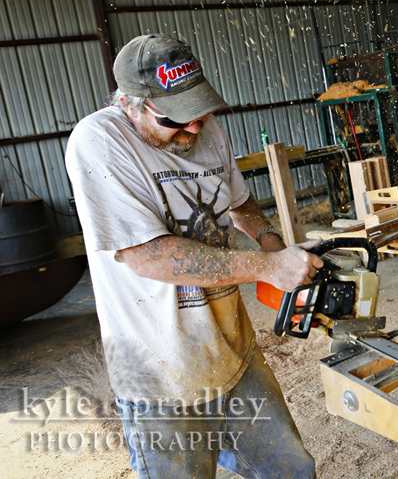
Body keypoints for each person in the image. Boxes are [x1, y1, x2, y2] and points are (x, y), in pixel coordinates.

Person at [65, 33, 322, 479]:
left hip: (233, 353)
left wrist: (271, 244)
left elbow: (238, 200)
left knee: (292, 470)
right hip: (159, 374)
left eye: (199, 112)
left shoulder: (206, 128)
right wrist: (268, 268)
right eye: (176, 120)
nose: (195, 128)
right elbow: (149, 256)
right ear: (131, 103)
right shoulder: (100, 141)